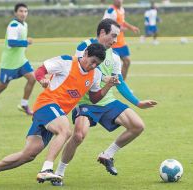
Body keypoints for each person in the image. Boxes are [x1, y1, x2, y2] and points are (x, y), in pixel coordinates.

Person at [0, 43, 120, 189]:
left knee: (28, 154)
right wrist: (42, 79)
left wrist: (108, 86)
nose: (93, 65)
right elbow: (41, 70)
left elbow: (94, 98)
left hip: (56, 115)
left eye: (97, 64)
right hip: (46, 105)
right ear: (86, 53)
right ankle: (46, 169)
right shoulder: (66, 62)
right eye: (92, 61)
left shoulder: (96, 74)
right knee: (65, 130)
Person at [52, 18, 157, 186]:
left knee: (138, 125)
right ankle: (59, 173)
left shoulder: (115, 57)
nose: (115, 40)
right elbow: (85, 68)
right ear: (102, 33)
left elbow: (119, 82)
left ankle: (107, 155)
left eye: (117, 36)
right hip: (86, 102)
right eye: (113, 36)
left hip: (107, 100)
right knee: (78, 136)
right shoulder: (84, 46)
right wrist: (105, 78)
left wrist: (138, 102)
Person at [0, 3, 35, 117]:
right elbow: (11, 42)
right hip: (10, 63)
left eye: (25, 11)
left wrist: (24, 50)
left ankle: (24, 104)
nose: (23, 13)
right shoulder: (13, 26)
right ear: (15, 13)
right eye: (21, 11)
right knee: (3, 86)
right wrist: (26, 42)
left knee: (32, 78)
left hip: (21, 61)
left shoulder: (24, 24)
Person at [103, 0, 140, 80]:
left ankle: (122, 84)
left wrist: (131, 27)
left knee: (127, 62)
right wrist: (117, 29)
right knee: (108, 66)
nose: (119, 1)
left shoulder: (122, 9)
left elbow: (122, 22)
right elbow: (104, 24)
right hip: (112, 42)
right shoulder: (111, 11)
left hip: (121, 42)